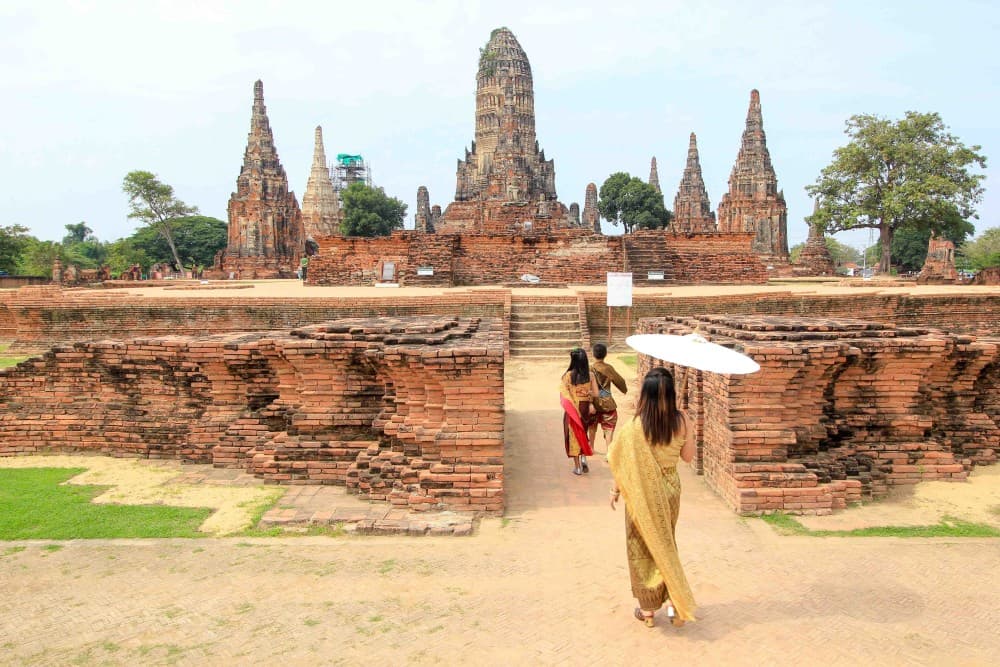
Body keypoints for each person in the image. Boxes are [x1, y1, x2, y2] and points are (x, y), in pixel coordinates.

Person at [608, 366, 696, 628]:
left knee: (641, 546)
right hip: (669, 490)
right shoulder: (682, 420)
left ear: (645, 395)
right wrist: (684, 427)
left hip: (639, 494)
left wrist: (615, 491)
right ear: (670, 394)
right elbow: (688, 458)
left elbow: (620, 462)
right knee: (665, 542)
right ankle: (671, 602)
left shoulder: (635, 426)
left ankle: (648, 610)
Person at [559, 347, 599, 475]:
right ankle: (584, 458)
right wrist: (588, 394)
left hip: (573, 409)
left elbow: (564, 393)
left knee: (573, 437)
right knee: (583, 432)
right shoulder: (591, 375)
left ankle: (577, 468)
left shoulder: (568, 376)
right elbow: (597, 394)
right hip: (585, 407)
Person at [588, 342, 628, 453]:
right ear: (605, 354)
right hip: (607, 402)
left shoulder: (590, 369)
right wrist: (624, 389)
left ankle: (591, 448)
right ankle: (608, 452)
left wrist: (590, 403)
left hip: (594, 402)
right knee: (609, 428)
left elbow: (587, 387)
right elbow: (620, 381)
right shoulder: (608, 368)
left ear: (593, 354)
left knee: (592, 426)